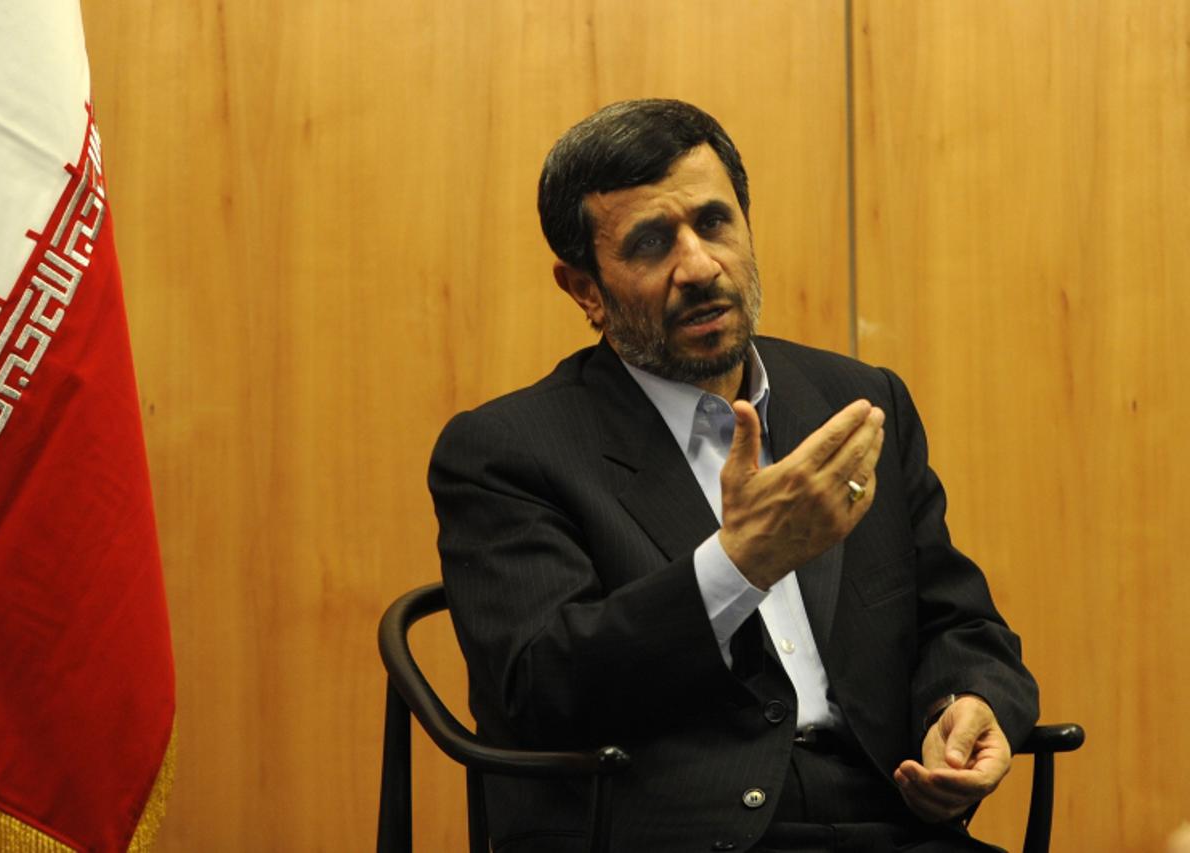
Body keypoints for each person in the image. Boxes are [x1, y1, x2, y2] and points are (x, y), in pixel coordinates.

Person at [428, 99, 1038, 853]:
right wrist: (737, 564)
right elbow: (540, 688)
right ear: (584, 288)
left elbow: (961, 623)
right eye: (652, 244)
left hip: (892, 818)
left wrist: (971, 701)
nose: (699, 265)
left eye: (714, 223)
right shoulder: (507, 449)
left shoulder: (854, 404)